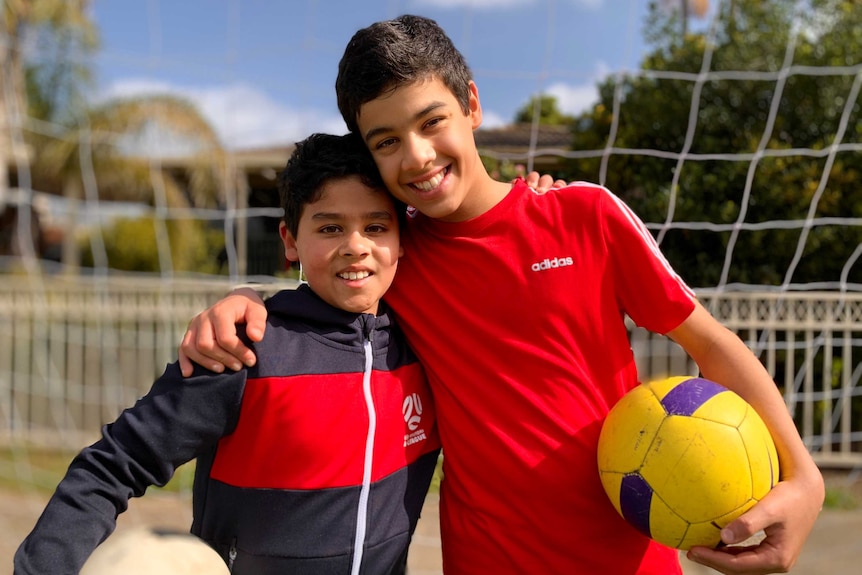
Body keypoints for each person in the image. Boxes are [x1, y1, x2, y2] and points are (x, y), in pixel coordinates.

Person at [178, 14, 825, 575]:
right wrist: (245, 299)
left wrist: (804, 475)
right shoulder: (397, 253)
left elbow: (711, 344)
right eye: (386, 142)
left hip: (630, 559)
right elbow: (325, 278)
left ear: (472, 106)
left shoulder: (584, 215)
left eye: (433, 122)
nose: (418, 155)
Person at [14, 132, 441, 575]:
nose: (356, 245)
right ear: (290, 240)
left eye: (376, 226)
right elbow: (112, 467)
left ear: (402, 236)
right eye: (330, 227)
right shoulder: (241, 348)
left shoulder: (428, 347)